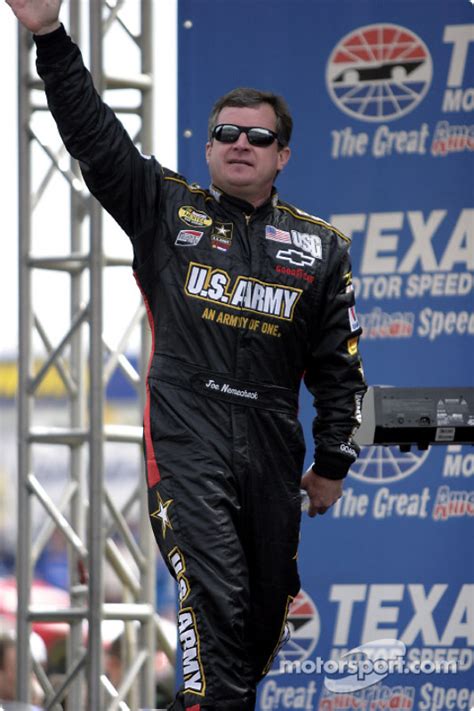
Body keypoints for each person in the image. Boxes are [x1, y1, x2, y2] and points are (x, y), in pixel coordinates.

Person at [7, 2, 367, 709]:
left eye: (257, 136)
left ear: (282, 155)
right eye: (225, 133)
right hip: (187, 431)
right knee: (214, 594)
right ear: (206, 148)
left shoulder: (321, 246)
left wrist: (331, 463)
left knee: (260, 617)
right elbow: (95, 138)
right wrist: (50, 37)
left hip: (269, 440)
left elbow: (339, 369)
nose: (240, 144)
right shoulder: (165, 208)